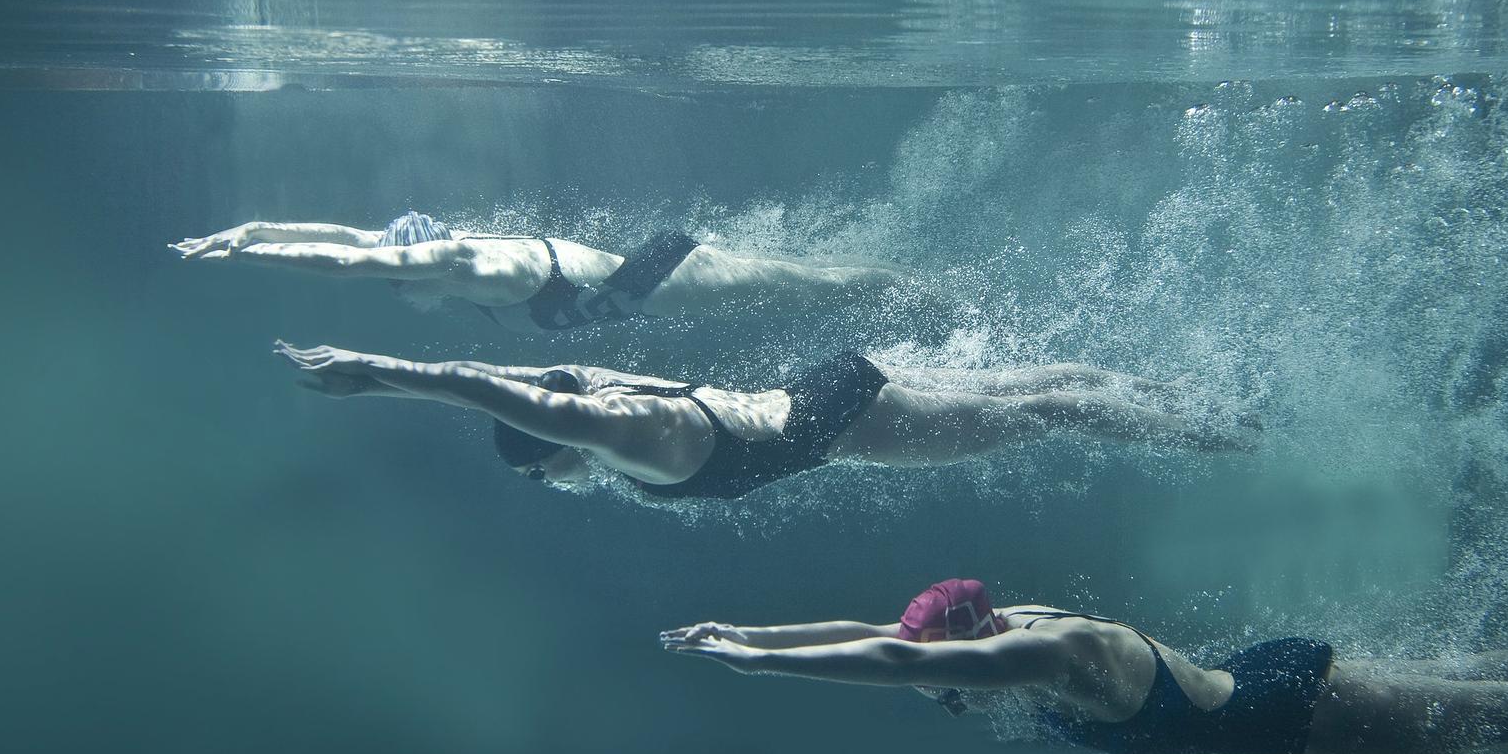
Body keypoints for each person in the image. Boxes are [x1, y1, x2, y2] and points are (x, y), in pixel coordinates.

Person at [660, 579, 1508, 754]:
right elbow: (880, 632)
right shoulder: (1009, 625)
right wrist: (751, 633)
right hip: (1262, 680)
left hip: (1299, 712)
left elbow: (887, 655)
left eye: (947, 671)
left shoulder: (1046, 650)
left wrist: (761, 670)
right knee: (1479, 681)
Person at [275, 343, 1257, 500]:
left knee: (1045, 412)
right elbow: (524, 377)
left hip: (840, 419)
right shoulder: (613, 396)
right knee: (1032, 387)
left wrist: (377, 374)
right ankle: (1184, 392)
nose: (549, 483)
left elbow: (498, 391)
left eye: (539, 469)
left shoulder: (620, 436)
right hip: (823, 387)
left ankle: (1219, 432)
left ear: (557, 445)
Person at [172, 212, 902, 332]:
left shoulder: (459, 262)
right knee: (794, 287)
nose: (396, 290)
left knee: (804, 289)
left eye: (397, 279)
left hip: (661, 281)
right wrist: (252, 228)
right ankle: (892, 280)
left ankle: (904, 285)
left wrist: (248, 255)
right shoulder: (441, 256)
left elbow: (347, 262)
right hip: (643, 290)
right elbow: (349, 237)